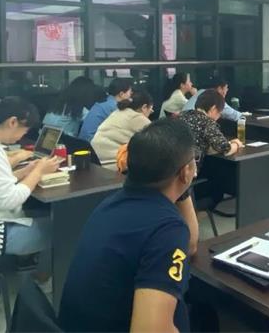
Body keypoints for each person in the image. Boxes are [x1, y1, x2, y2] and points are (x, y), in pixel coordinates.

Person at [59, 118, 199, 332]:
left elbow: (190, 246)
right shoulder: (167, 229)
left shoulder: (111, 204)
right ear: (186, 171)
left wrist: (182, 188)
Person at [0, 97, 60, 273]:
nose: (22, 136)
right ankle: (43, 277)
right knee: (66, 228)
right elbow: (9, 200)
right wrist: (38, 172)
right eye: (24, 131)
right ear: (12, 122)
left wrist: (25, 172)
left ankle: (36, 271)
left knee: (54, 217)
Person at [91, 90, 153, 166]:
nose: (150, 114)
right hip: (113, 166)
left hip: (95, 163)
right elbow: (158, 141)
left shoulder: (118, 112)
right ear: (144, 107)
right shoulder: (137, 117)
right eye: (151, 110)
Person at [179, 89, 242, 158]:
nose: (219, 116)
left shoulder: (182, 115)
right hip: (191, 163)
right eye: (219, 113)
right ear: (213, 108)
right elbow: (225, 149)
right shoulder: (207, 122)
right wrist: (236, 144)